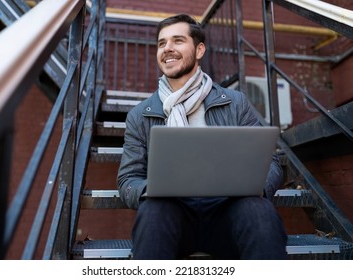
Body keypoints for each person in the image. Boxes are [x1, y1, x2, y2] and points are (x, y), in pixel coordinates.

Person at [117, 13, 288, 260]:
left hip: (228, 212)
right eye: (162, 43)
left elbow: (270, 163)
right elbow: (128, 179)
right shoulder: (139, 115)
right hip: (171, 217)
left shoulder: (235, 102)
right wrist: (150, 190)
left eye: (177, 40)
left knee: (259, 210)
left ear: (199, 50)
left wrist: (256, 188)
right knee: (153, 211)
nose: (168, 49)